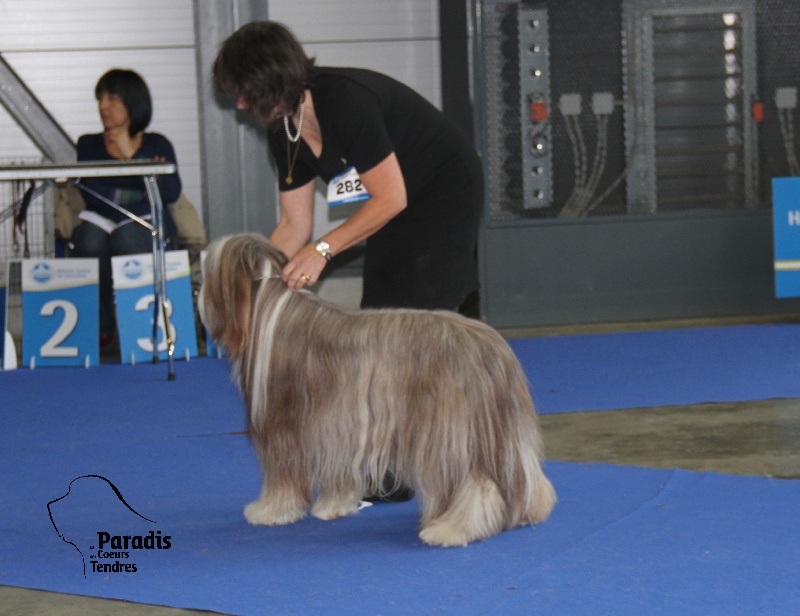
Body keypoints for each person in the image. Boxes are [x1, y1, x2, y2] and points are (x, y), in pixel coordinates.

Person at [213, 21, 484, 501]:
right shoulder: (285, 130)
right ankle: (389, 465)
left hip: (440, 193)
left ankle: (456, 457)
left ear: (272, 80)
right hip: (388, 205)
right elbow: (293, 226)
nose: (238, 105)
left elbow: (390, 197)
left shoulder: (346, 102)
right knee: (376, 326)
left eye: (243, 92)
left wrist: (322, 251)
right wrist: (264, 280)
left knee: (416, 332)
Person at [70, 69, 181, 349]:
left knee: (127, 238)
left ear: (133, 103)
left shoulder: (158, 143)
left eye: (112, 99)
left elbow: (169, 192)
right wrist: (142, 180)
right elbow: (92, 194)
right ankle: (103, 328)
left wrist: (130, 153)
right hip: (100, 220)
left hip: (146, 224)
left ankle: (139, 328)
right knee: (88, 239)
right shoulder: (89, 145)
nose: (103, 106)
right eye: (100, 99)